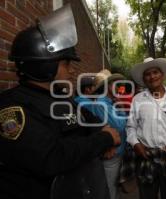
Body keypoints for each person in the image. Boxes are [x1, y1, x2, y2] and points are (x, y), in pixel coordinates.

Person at [0, 5, 120, 199]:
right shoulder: (12, 108)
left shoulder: (62, 99)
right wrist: (105, 139)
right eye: (66, 64)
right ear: (43, 64)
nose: (71, 71)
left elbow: (89, 119)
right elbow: (50, 158)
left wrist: (104, 131)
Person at [124, 57, 166, 199]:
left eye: (155, 72)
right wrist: (136, 144)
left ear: (162, 75)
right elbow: (131, 126)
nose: (152, 76)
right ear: (144, 79)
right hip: (146, 157)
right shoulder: (138, 99)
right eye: (148, 74)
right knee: (147, 195)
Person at [76, 69, 127, 199]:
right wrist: (122, 111)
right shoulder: (101, 103)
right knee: (108, 189)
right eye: (116, 84)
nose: (119, 87)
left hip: (116, 152)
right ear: (108, 86)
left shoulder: (110, 102)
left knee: (111, 187)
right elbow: (120, 126)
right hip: (111, 154)